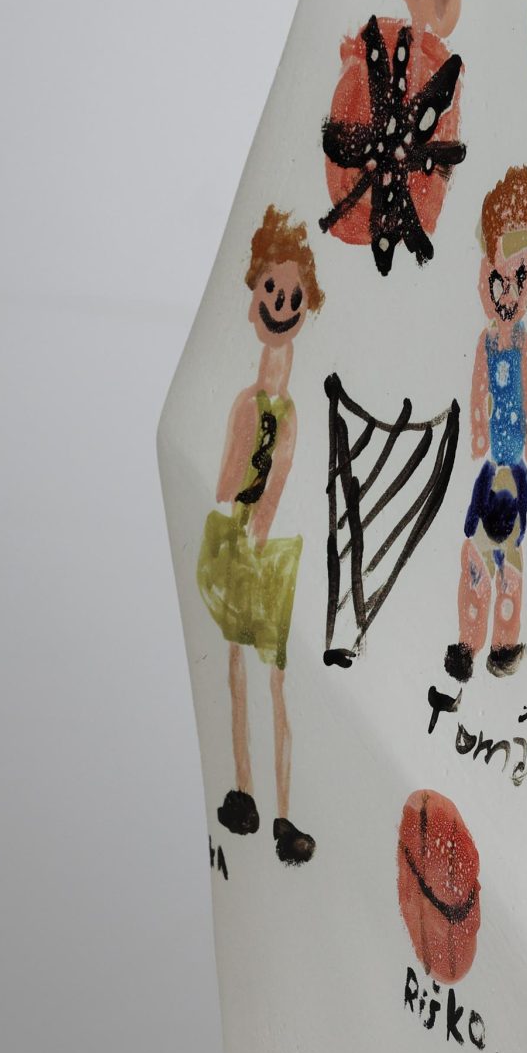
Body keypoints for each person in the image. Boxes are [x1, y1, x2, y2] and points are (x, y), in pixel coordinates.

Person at [197, 208, 324, 862]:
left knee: (270, 675)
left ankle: (281, 811)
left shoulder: (287, 411)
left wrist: (256, 514)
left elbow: (269, 484)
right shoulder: (247, 404)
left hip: (265, 548)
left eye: (291, 297)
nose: (279, 305)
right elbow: (226, 480)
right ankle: (245, 791)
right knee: (237, 667)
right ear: (253, 299)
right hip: (240, 539)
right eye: (271, 291)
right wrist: (243, 506)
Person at [447, 167, 527, 682]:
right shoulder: (486, 342)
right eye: (498, 281)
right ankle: (469, 640)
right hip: (491, 466)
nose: (507, 293)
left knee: (509, 560)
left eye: (518, 281)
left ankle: (503, 643)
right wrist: (477, 433)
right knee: (475, 550)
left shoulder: (523, 344)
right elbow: (477, 388)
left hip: (515, 466)